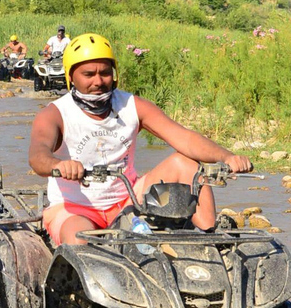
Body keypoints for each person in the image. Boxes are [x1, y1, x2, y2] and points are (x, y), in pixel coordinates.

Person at [28, 33, 253, 245]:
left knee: (185, 162)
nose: (98, 81)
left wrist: (227, 157)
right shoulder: (55, 113)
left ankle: (209, 239)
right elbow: (38, 155)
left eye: (104, 73)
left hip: (128, 201)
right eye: (88, 74)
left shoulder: (130, 105)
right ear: (70, 77)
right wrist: (59, 165)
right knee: (80, 240)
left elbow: (183, 137)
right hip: (74, 208)